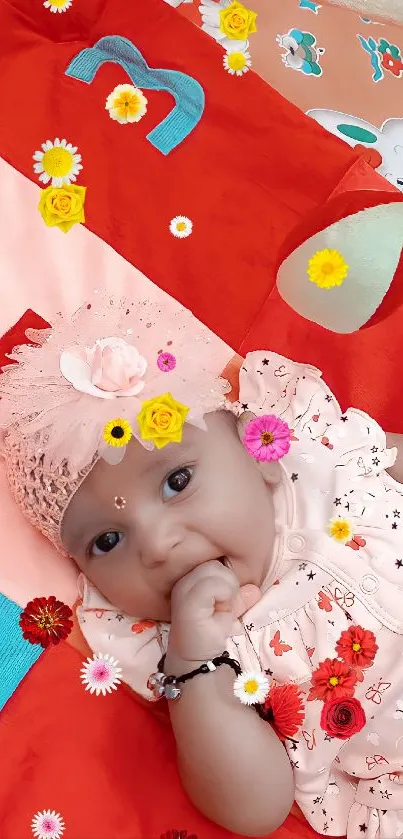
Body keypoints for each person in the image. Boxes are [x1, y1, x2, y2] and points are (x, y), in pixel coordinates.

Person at [2, 292, 403, 839]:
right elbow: (253, 811)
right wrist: (196, 659)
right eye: (108, 540)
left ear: (256, 448)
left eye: (177, 482)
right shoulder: (197, 657)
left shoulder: (323, 459)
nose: (159, 546)